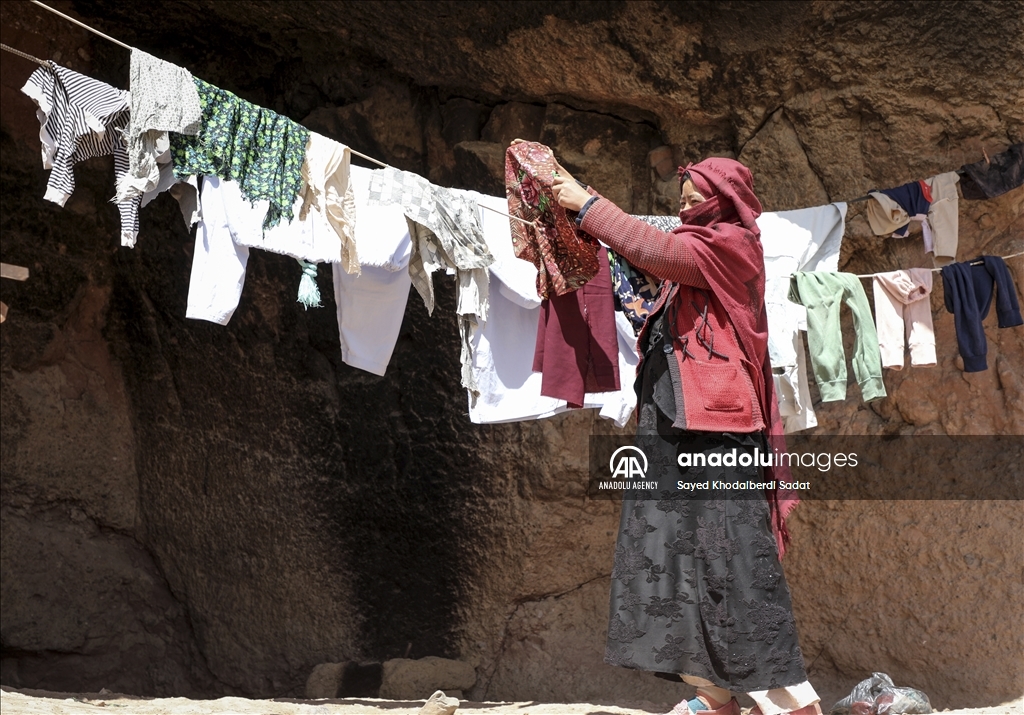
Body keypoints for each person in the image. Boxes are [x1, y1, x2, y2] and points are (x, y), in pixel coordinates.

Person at [550, 155, 820, 715]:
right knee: (668, 552)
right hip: (671, 428)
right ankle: (714, 696)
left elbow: (662, 250)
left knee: (732, 556)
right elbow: (641, 248)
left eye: (694, 198)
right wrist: (574, 197)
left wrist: (590, 204)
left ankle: (794, 703)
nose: (683, 207)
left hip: (718, 432)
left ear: (723, 201)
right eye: (681, 197)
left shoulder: (733, 245)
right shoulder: (692, 253)